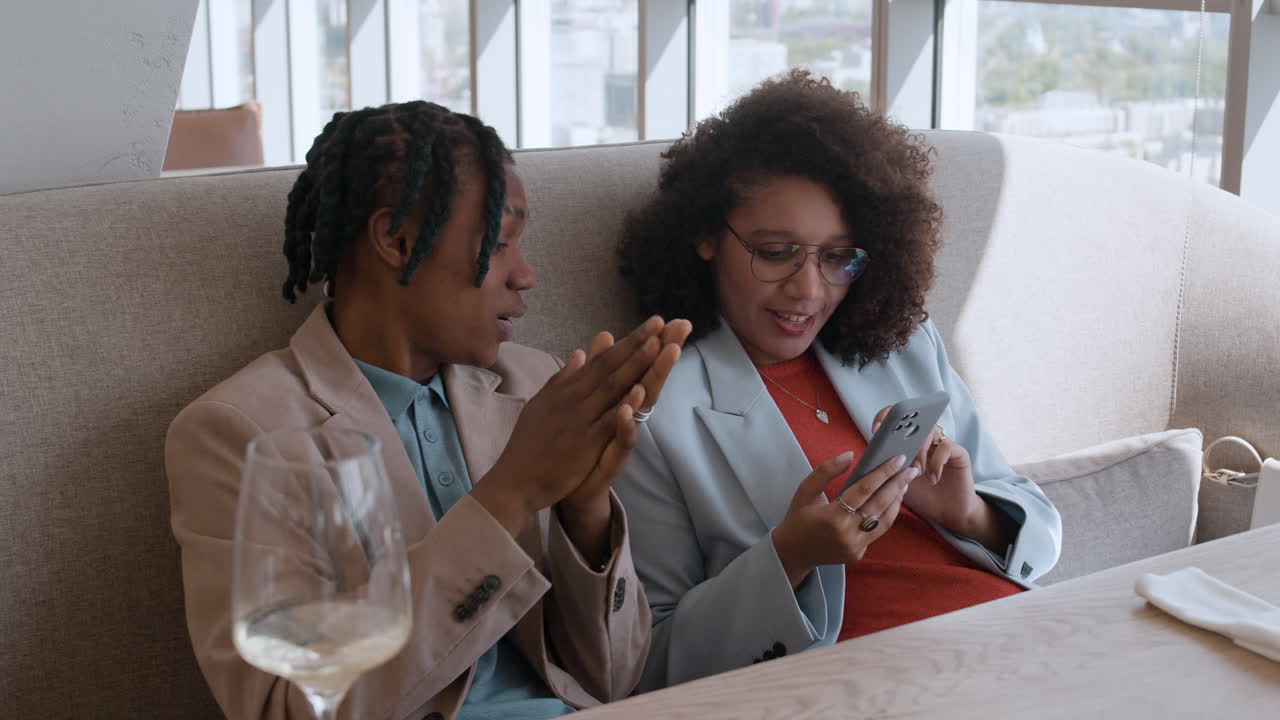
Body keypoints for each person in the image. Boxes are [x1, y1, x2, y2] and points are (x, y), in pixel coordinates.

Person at [166, 100, 690, 720]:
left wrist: (586, 507)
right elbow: (290, 709)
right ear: (397, 240)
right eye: (499, 243)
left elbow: (616, 680)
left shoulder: (539, 386)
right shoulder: (237, 432)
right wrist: (511, 493)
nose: (526, 275)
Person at [613, 70, 1062, 691]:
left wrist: (970, 514)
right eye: (776, 252)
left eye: (837, 257)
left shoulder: (904, 346)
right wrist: (789, 558)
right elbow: (652, 662)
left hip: (1017, 643)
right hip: (869, 685)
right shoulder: (654, 410)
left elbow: (1041, 527)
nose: (808, 290)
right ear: (705, 236)